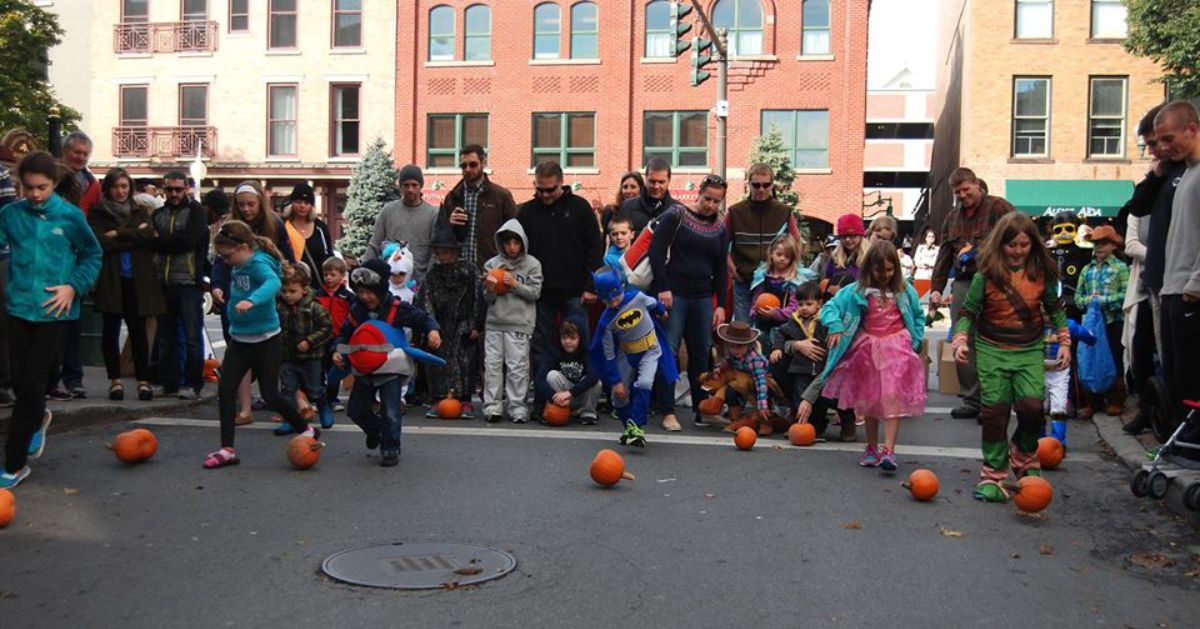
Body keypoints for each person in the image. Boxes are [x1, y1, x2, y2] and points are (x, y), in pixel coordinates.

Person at [0, 151, 102, 489]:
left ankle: (14, 464)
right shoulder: (10, 215)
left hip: (55, 311)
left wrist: (73, 288)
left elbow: (92, 255)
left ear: (54, 184)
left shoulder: (70, 217)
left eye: (41, 187)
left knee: (31, 383)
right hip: (18, 306)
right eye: (27, 187)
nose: (34, 194)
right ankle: (38, 418)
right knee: (19, 381)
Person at [950, 212, 1069, 502]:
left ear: (1033, 245)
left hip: (1029, 350)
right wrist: (960, 338)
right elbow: (968, 312)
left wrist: (1065, 342)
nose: (1017, 251)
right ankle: (993, 474)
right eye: (1011, 245)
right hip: (992, 350)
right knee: (994, 413)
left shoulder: (1041, 274)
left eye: (1024, 245)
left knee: (1031, 408)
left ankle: (1024, 457)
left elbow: (1056, 310)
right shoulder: (985, 276)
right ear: (1000, 245)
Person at [799, 241, 926, 473]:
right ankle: (870, 447)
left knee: (891, 398)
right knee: (870, 400)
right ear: (869, 268)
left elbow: (918, 315)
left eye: (889, 270)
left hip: (896, 347)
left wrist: (915, 339)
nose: (885, 275)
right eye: (879, 270)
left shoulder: (904, 290)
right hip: (868, 349)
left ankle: (889, 450)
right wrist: (835, 325)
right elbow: (829, 308)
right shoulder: (857, 291)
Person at [204, 221, 316, 469]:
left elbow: (273, 284)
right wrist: (220, 290)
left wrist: (252, 301)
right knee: (226, 389)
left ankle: (305, 428)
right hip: (240, 338)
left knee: (270, 395)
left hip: (266, 340)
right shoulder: (238, 264)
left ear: (243, 247)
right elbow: (238, 286)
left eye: (227, 255)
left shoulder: (259, 263)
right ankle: (227, 449)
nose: (225, 260)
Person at [333, 259, 441, 467]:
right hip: (365, 368)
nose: (365, 297)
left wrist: (433, 330)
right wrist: (337, 351)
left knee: (391, 410)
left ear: (381, 288)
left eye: (370, 292)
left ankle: (390, 446)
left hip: (390, 367)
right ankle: (376, 430)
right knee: (355, 409)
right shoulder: (357, 310)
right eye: (361, 292)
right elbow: (344, 335)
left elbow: (422, 318)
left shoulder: (396, 308)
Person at [928, 167, 1015, 419]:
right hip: (964, 282)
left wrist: (979, 249)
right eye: (957, 192)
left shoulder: (1000, 208)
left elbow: (1020, 238)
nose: (963, 196)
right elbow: (944, 255)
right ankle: (972, 399)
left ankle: (994, 402)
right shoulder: (952, 218)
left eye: (966, 189)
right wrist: (936, 288)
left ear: (977, 184)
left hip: (996, 279)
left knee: (995, 337)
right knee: (963, 338)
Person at [1119, 103, 1185, 435]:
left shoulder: (1188, 173)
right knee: (1144, 350)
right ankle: (1152, 411)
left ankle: (1177, 423)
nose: (1157, 150)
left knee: (1178, 361)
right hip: (1153, 280)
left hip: (1181, 280)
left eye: (1161, 141)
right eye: (1152, 144)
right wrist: (1155, 174)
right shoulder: (1162, 176)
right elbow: (1138, 207)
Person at [648, 174, 729, 431]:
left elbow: (721, 267)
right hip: (676, 293)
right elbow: (656, 252)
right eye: (707, 199)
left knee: (701, 354)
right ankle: (667, 410)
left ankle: (702, 409)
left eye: (716, 201)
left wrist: (720, 304)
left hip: (703, 296)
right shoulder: (677, 215)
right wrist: (663, 288)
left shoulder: (720, 227)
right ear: (699, 193)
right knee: (669, 352)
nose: (710, 205)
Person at [212, 181, 296, 422]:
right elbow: (220, 261)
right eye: (242, 205)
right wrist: (217, 286)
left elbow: (286, 261)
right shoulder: (229, 227)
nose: (247, 209)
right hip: (236, 295)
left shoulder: (275, 225)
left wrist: (289, 285)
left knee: (271, 355)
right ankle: (245, 408)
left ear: (261, 202)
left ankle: (281, 402)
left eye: (251, 204)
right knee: (238, 353)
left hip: (267, 299)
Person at [517, 161, 604, 374]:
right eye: (540, 189)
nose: (545, 195)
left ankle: (578, 394)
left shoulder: (580, 207)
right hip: (540, 292)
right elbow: (518, 252)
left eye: (550, 189)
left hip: (575, 290)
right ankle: (543, 396)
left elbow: (595, 247)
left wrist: (591, 286)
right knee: (540, 345)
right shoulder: (527, 211)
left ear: (562, 184)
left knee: (578, 342)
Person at [88, 167, 165, 402]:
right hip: (112, 279)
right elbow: (100, 243)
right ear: (108, 188)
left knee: (139, 332)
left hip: (137, 279)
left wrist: (117, 234)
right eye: (115, 186)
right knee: (110, 332)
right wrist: (132, 235)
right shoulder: (98, 213)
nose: (120, 191)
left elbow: (149, 236)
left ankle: (143, 381)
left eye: (124, 187)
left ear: (129, 188)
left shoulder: (140, 210)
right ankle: (116, 381)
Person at [590, 266, 678, 447]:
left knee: (645, 383)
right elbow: (607, 354)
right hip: (628, 353)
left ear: (621, 288)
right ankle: (628, 427)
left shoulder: (637, 298)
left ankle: (637, 425)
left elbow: (653, 303)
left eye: (615, 296)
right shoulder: (605, 322)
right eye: (607, 299)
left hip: (650, 349)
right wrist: (615, 381)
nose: (613, 302)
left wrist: (662, 312)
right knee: (619, 396)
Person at [1154, 100, 1200, 439]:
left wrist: (1195, 283)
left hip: (1190, 291)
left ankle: (1192, 445)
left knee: (1191, 378)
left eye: (1169, 139)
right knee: (1175, 377)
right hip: (1172, 287)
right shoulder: (1185, 174)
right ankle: (1182, 444)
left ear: (1192, 129)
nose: (1164, 148)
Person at [769, 281, 855, 442]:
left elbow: (837, 343)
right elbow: (780, 333)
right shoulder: (793, 322)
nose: (804, 308)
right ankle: (801, 423)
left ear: (819, 304)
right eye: (800, 304)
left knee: (830, 396)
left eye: (809, 304)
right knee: (799, 396)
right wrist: (779, 348)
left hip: (828, 369)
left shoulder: (826, 322)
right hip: (802, 369)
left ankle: (847, 418)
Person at [151, 170, 210, 400]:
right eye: (169, 189)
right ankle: (168, 382)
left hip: (188, 282)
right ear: (163, 190)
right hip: (163, 281)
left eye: (178, 189)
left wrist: (160, 241)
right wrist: (163, 242)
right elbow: (149, 242)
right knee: (165, 337)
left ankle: (193, 383)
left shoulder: (196, 212)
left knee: (192, 336)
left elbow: (189, 241)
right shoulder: (158, 213)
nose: (174, 194)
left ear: (186, 189)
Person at [481, 219, 543, 423]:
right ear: (501, 243)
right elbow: (488, 299)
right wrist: (490, 288)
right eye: (507, 243)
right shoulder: (492, 264)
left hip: (519, 323)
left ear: (522, 243)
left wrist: (515, 284)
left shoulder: (532, 264)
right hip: (495, 323)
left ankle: (518, 406)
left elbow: (535, 293)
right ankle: (492, 405)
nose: (512, 247)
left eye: (516, 243)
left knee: (517, 366)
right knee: (492, 365)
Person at [417, 226, 482, 417]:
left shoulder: (469, 271)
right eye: (438, 252)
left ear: (454, 252)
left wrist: (476, 323)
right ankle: (439, 398)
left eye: (444, 252)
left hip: (463, 322)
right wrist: (431, 327)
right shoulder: (433, 274)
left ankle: (465, 399)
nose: (441, 257)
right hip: (441, 323)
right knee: (439, 359)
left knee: (465, 360)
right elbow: (426, 300)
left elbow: (477, 297)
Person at [726, 163, 803, 322]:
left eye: (766, 185)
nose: (761, 189)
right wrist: (733, 271)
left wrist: (792, 270)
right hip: (744, 281)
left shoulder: (784, 212)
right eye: (756, 185)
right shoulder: (735, 212)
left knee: (772, 331)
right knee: (742, 330)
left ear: (772, 184)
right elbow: (721, 246)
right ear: (749, 184)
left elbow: (796, 242)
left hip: (774, 282)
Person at [272, 262, 334, 432]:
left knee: (314, 389)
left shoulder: (314, 307)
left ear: (305, 289)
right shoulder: (279, 307)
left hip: (310, 358)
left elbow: (326, 328)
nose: (288, 295)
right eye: (285, 291)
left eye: (293, 291)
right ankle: (290, 419)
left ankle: (323, 405)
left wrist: (309, 341)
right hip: (287, 357)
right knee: (288, 390)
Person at [1075, 225, 1129, 420]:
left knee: (1114, 359)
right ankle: (1093, 401)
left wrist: (1101, 301)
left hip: (1113, 321)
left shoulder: (1120, 268)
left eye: (1103, 243)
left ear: (1113, 246)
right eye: (1096, 243)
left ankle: (1115, 400)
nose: (1099, 247)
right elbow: (1078, 296)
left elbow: (1125, 295)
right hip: (1091, 322)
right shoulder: (1086, 270)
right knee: (1090, 359)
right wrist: (1089, 301)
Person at [436, 145, 518, 273]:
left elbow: (515, 233)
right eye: (463, 166)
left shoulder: (500, 196)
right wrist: (449, 224)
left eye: (473, 165)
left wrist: (508, 266)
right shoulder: (452, 197)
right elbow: (440, 238)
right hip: (459, 272)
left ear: (483, 163)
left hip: (491, 271)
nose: (468, 169)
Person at [366, 164, 438, 282]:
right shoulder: (388, 210)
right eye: (406, 185)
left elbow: (435, 252)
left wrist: (428, 279)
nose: (410, 189)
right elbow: (375, 244)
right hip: (391, 281)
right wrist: (365, 269)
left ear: (421, 186)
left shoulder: (433, 213)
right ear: (400, 186)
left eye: (414, 185)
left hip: (419, 282)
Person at [711, 321, 778, 435]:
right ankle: (736, 418)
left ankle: (765, 420)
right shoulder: (732, 355)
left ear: (748, 344)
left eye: (740, 346)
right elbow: (726, 362)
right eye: (732, 346)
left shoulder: (754, 358)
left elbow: (760, 382)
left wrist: (762, 405)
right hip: (744, 382)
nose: (736, 350)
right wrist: (719, 368)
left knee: (766, 390)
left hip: (762, 381)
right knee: (730, 389)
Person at [535, 320, 601, 425]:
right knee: (552, 375)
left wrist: (570, 393)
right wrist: (553, 397)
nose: (568, 342)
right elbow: (539, 379)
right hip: (561, 397)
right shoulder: (554, 351)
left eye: (572, 338)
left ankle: (588, 413)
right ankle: (559, 408)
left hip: (579, 394)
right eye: (564, 338)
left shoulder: (586, 352)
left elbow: (593, 376)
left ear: (580, 338)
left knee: (597, 382)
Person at [750, 234, 814, 335]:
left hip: (784, 327)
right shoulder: (763, 276)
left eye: (787, 256)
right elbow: (757, 298)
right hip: (762, 324)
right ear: (771, 254)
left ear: (792, 258)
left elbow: (795, 307)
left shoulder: (794, 280)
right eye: (779, 254)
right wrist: (754, 312)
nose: (782, 258)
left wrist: (777, 313)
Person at [317, 256, 356, 412]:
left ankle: (332, 398)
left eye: (332, 275)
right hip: (320, 338)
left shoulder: (348, 297)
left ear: (342, 276)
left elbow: (352, 316)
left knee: (335, 369)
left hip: (339, 337)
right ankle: (319, 398)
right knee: (319, 369)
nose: (328, 278)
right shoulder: (318, 295)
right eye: (326, 274)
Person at [282, 183, 334, 289]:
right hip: (290, 288)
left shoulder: (320, 228)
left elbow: (329, 255)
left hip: (318, 288)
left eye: (306, 203)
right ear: (292, 203)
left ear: (311, 206)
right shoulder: (282, 226)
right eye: (298, 202)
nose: (302, 206)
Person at [613, 157, 676, 235]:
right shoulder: (627, 207)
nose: (656, 186)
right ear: (646, 178)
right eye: (652, 181)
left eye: (661, 182)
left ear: (669, 181)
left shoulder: (678, 212)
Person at [820, 214, 866, 292]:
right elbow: (827, 282)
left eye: (852, 236)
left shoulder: (869, 257)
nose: (848, 239)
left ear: (860, 236)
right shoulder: (835, 258)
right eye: (844, 236)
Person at [61, 131, 101, 214]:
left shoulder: (92, 184)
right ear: (65, 151)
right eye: (77, 152)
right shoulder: (49, 177)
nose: (81, 158)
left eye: (85, 154)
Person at [869, 216, 914, 281]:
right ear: (871, 233)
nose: (880, 242)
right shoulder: (862, 252)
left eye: (885, 240)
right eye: (878, 237)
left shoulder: (890, 256)